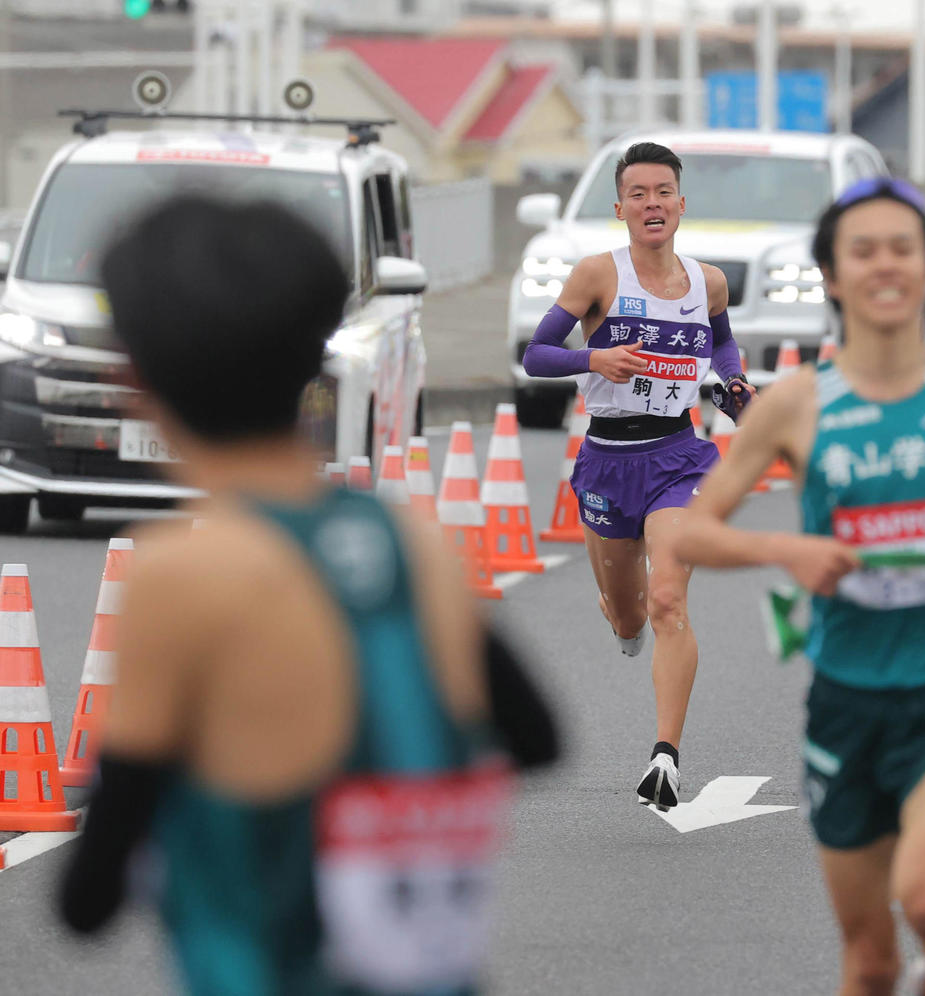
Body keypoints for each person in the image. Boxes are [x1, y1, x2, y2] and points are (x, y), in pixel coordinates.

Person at [57, 196, 559, 995]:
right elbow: (536, 739)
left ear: (133, 378)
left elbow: (88, 897)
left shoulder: (181, 573)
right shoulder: (412, 543)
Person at [670, 178, 925, 996]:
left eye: (902, 249)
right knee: (870, 959)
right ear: (832, 275)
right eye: (864, 251)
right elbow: (692, 533)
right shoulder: (795, 405)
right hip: (846, 703)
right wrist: (788, 548)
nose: (886, 265)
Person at [521, 141, 754, 810]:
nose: (653, 203)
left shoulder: (708, 282)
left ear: (681, 203)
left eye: (663, 192)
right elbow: (536, 355)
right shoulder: (598, 274)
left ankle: (665, 757)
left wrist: (734, 384)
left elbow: (721, 342)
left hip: (679, 457)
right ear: (621, 208)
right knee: (630, 618)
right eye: (638, 194)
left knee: (669, 600)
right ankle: (621, 614)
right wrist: (594, 359)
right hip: (607, 460)